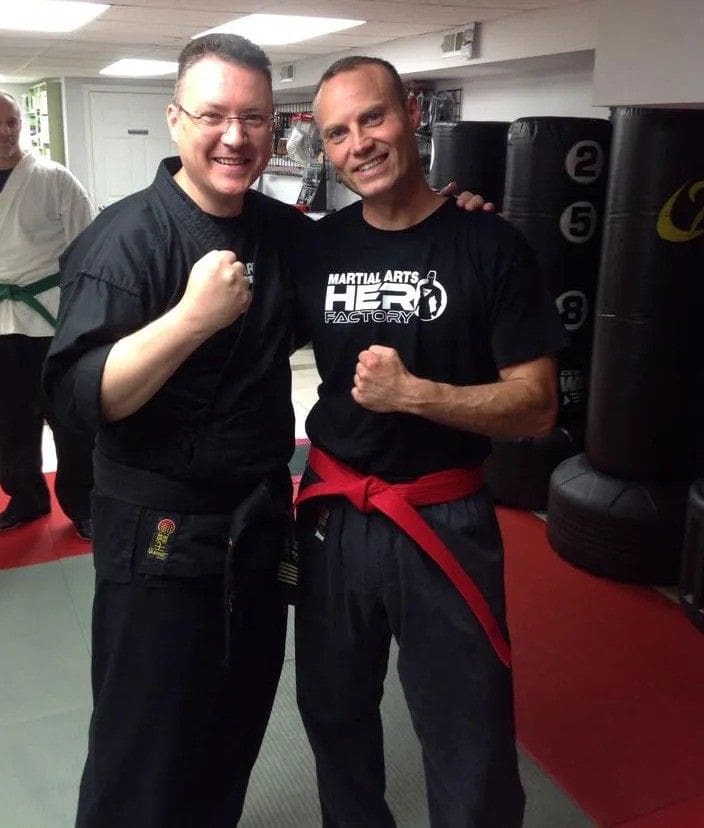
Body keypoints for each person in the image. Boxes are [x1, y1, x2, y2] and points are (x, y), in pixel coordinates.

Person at [42, 35, 311, 827]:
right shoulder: (123, 242)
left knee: (236, 718)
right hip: (156, 533)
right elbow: (82, 400)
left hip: (258, 519)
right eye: (215, 115)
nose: (236, 136)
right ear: (174, 121)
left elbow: (366, 258)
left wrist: (447, 218)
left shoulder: (284, 232)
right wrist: (190, 320)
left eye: (255, 118)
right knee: (143, 739)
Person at [293, 56, 565, 827]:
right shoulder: (318, 248)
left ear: (411, 112)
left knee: (467, 725)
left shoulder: (491, 246)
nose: (359, 144)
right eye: (337, 133)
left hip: (443, 521)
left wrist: (416, 395)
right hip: (332, 516)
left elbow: (538, 406)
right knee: (332, 711)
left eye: (372, 118)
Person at [0, 91, 95, 539]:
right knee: (9, 420)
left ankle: (84, 505)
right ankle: (26, 495)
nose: (5, 131)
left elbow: (87, 247)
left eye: (12, 121)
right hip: (2, 326)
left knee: (69, 419)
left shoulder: (53, 178)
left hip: (53, 319)